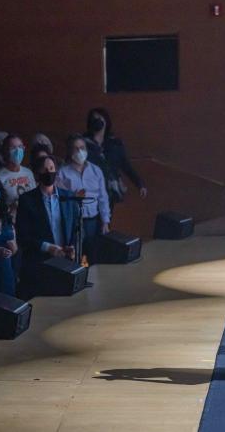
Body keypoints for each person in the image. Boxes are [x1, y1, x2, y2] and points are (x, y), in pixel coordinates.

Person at [15, 155, 81, 299]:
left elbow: (76, 228)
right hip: (40, 263)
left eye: (51, 168)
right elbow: (23, 236)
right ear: (38, 174)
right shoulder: (27, 200)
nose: (49, 172)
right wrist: (48, 247)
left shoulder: (68, 197)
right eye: (44, 170)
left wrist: (72, 247)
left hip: (65, 261)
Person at [56, 134, 111, 262]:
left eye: (82, 148)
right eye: (76, 148)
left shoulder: (96, 170)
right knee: (75, 253)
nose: (80, 151)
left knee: (91, 253)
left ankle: (89, 276)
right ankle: (78, 277)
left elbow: (103, 197)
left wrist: (105, 221)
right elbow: (60, 198)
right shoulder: (62, 173)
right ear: (70, 151)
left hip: (92, 220)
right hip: (74, 221)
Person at [84, 107, 148, 203]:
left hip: (110, 189)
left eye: (100, 118)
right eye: (94, 119)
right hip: (91, 188)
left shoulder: (115, 144)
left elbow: (126, 166)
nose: (97, 121)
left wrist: (139, 184)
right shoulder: (82, 143)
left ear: (106, 121)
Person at [0, 133, 36, 210]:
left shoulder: (28, 172)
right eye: (13, 148)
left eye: (20, 147)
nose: (17, 150)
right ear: (5, 151)